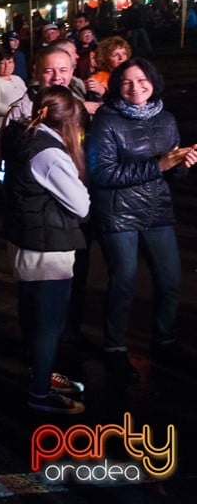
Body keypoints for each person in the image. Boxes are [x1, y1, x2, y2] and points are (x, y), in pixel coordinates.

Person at [87, 58, 197, 384]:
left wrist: (183, 163)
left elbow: (171, 172)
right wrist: (159, 166)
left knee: (170, 279)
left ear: (153, 81)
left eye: (142, 80)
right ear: (117, 88)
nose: (136, 87)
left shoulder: (166, 119)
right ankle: (115, 349)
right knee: (124, 282)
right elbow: (102, 172)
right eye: (126, 83)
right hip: (119, 213)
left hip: (157, 210)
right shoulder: (106, 121)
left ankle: (164, 340)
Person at [1, 86, 89, 415]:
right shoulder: (50, 153)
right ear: (68, 122)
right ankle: (40, 393)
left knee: (33, 317)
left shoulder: (22, 136)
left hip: (25, 241)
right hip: (47, 248)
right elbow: (81, 205)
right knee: (49, 324)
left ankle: (41, 374)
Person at [0, 52, 27, 195]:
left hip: (19, 127)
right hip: (0, 126)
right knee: (0, 160)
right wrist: (15, 112)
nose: (7, 66)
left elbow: (26, 98)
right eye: (3, 63)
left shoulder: (18, 79)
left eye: (10, 62)